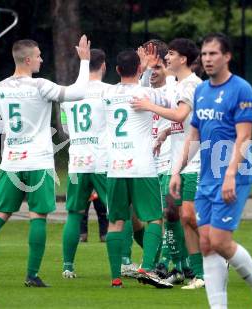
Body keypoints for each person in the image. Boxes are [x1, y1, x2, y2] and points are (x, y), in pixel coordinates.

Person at [0, 36, 90, 287]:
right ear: (27, 60)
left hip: (12, 161)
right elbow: (78, 92)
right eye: (38, 55)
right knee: (38, 216)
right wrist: (84, 61)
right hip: (38, 160)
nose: (41, 59)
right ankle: (32, 275)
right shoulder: (39, 86)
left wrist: (17, 131)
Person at [169, 33, 252, 308]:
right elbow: (194, 135)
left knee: (218, 239)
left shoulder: (241, 89)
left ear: (227, 56)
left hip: (234, 175)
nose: (207, 59)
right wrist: (176, 171)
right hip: (206, 177)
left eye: (213, 54)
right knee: (206, 243)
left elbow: (243, 137)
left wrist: (230, 175)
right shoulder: (201, 91)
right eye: (204, 54)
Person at [132, 38, 204, 289]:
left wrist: (150, 106)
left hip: (195, 160)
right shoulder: (176, 85)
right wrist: (164, 134)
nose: (166, 59)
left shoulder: (192, 85)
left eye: (170, 55)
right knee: (173, 214)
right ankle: (182, 268)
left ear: (182, 59)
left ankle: (211, 261)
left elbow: (180, 115)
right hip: (177, 162)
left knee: (188, 217)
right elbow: (175, 118)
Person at [103, 49, 172, 288]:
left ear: (117, 70)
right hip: (142, 166)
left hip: (115, 167)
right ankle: (146, 268)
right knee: (154, 218)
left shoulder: (107, 92)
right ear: (140, 69)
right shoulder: (148, 93)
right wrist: (149, 67)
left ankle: (115, 277)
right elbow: (173, 101)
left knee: (116, 222)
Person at [60, 48, 110, 278]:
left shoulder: (68, 95)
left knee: (74, 214)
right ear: (104, 66)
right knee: (117, 213)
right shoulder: (110, 91)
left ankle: (68, 266)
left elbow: (67, 130)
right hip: (103, 161)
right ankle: (124, 263)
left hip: (77, 161)